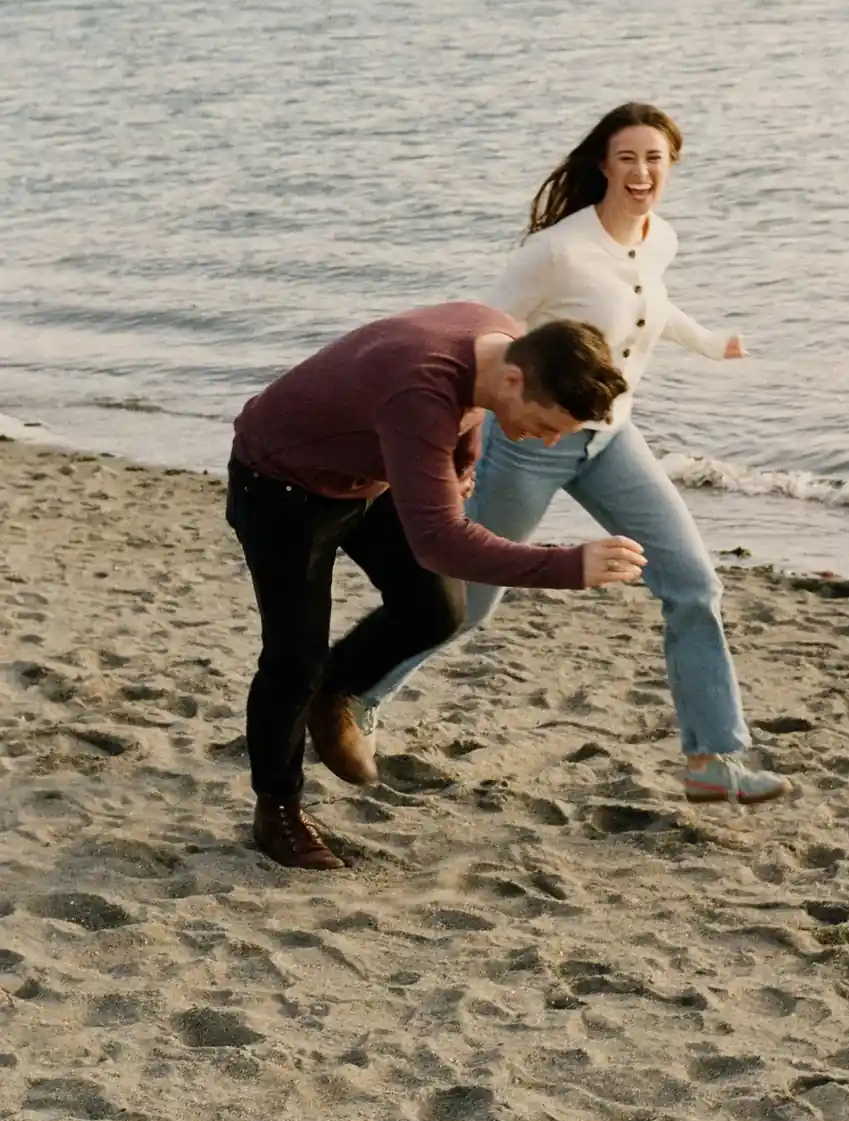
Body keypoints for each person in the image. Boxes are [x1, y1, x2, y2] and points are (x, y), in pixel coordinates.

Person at [317, 103, 793, 808]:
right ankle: (349, 699)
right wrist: (463, 442)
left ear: (672, 166)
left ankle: (712, 759)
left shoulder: (660, 238)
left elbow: (651, 303)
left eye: (655, 159)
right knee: (471, 599)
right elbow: (487, 338)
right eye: (628, 158)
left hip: (612, 438)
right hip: (526, 443)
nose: (642, 173)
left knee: (693, 581)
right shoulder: (556, 252)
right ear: (603, 164)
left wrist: (709, 343)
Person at [226, 304, 640, 869]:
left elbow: (470, 410)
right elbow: (441, 542)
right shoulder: (420, 393)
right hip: (281, 484)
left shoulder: (505, 344)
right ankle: (277, 811)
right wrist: (567, 566)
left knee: (436, 608)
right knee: (294, 658)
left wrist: (462, 466)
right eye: (546, 426)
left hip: (371, 473)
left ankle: (335, 692)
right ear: (514, 380)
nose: (546, 443)